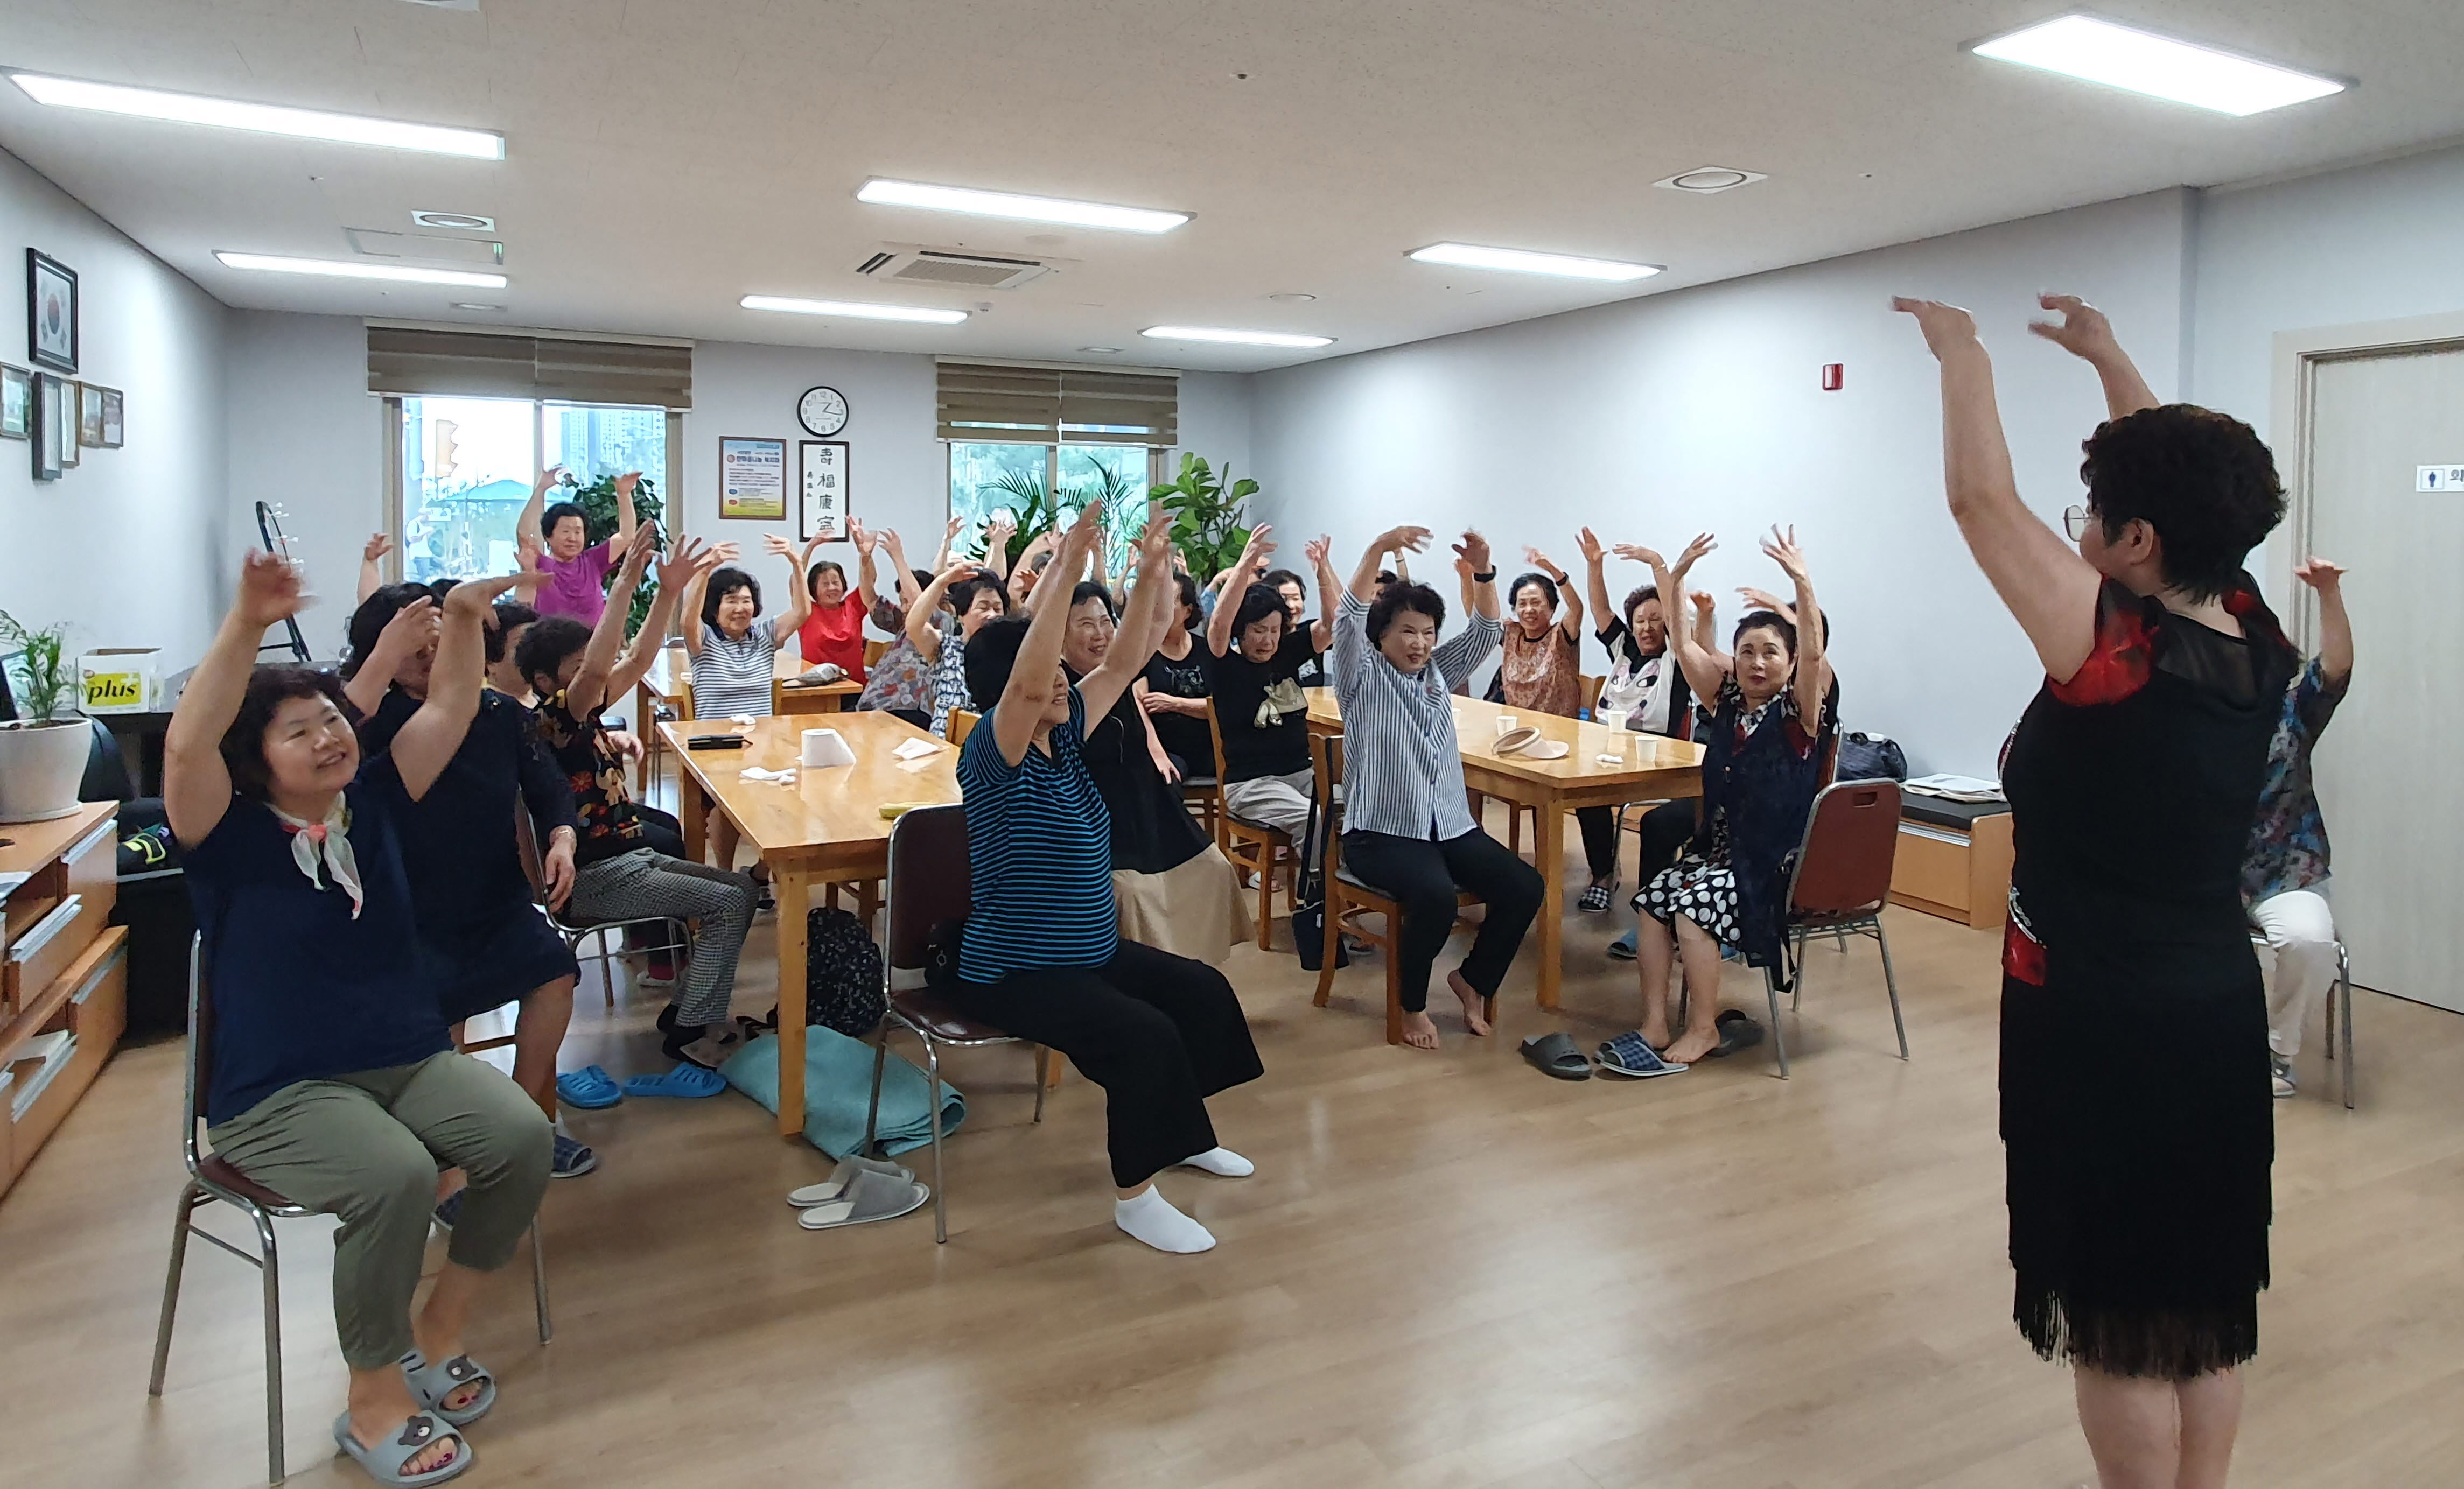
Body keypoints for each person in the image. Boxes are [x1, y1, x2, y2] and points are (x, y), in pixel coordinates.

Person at [1898, 291, 2294, 1489]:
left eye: (2096, 515)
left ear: (2132, 546)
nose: (2078, 528)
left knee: (2121, 1313)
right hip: (2212, 1002)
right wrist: (2112, 364)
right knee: (2197, 1299)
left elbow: (1979, 504)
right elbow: (2185, 508)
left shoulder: (2112, 661)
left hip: (2098, 1018)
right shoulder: (2245, 633)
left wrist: (1960, 354)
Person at [168, 552, 552, 1485]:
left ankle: (437, 1329)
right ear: (255, 761)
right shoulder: (226, 838)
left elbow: (452, 708)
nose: (331, 736)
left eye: (332, 718)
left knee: (521, 1135)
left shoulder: (370, 804)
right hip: (280, 1092)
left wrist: (464, 619)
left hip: (405, 1060)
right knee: (398, 1174)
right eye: (300, 731)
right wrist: (249, 623)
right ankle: (373, 1392)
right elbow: (184, 748)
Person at [945, 503, 1263, 1255]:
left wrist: (1152, 571)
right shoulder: (998, 754)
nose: (1062, 680)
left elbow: (1124, 661)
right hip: (1016, 969)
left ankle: (1177, 1128)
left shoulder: (1065, 738)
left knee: (1201, 991)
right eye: (1049, 671)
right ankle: (1135, 1196)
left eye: (1060, 674)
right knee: (1143, 1036)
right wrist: (1064, 567)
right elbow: (1025, 686)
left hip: (1089, 952)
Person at [340, 585, 593, 1179]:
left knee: (556, 972)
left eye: (443, 649)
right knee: (439, 1013)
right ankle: (453, 1149)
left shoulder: (501, 714)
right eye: (417, 653)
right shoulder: (369, 725)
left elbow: (549, 789)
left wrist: (562, 838)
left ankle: (526, 1119)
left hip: (493, 898)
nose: (434, 664)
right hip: (409, 914)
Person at [516, 529, 761, 1067]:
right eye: (576, 666)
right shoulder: (553, 720)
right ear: (544, 679)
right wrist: (626, 581)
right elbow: (603, 667)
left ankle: (688, 1012)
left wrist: (668, 593)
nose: (592, 672)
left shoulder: (587, 713)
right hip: (594, 881)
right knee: (729, 900)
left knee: (739, 890)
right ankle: (689, 1027)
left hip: (628, 860)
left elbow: (638, 657)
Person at [1602, 526, 1834, 1073]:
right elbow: (1683, 645)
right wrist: (1675, 576)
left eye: (1770, 653)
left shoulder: (1800, 715)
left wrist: (1800, 582)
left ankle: (1703, 1026)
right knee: (1652, 902)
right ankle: (1655, 1022)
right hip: (1724, 857)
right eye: (1746, 652)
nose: (1756, 663)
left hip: (1772, 865)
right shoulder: (1727, 702)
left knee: (1690, 906)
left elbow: (1816, 653)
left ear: (1790, 661)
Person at [1331, 526, 1542, 1049]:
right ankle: (1412, 1007)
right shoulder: (1361, 676)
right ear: (1381, 636)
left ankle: (1472, 980)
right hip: (1380, 833)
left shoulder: (1437, 675)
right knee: (1434, 898)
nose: (1419, 642)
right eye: (1407, 631)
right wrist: (1376, 549)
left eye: (1427, 631)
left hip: (1448, 826)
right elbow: (1346, 617)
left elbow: (1488, 629)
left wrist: (1484, 569)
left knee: (1524, 887)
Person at [1049, 578, 1251, 962]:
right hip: (1100, 825)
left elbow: (1157, 623)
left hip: (1146, 808)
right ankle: (1153, 971)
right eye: (1085, 624)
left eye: (1106, 621)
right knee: (1134, 894)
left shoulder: (1118, 671)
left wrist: (1155, 565)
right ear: (1058, 633)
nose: (1100, 633)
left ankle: (1194, 968)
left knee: (1213, 868)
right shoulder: (1060, 689)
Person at [2245, 559, 2353, 1100]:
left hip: (2286, 873)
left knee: (2310, 940)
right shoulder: (2183, 711)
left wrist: (2328, 593)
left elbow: (2334, 670)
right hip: (2194, 875)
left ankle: (2277, 1052)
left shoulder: (2292, 711)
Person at [1496, 544, 1616, 907]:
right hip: (1519, 742)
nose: (1530, 609)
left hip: (1566, 742)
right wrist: (1471, 577)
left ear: (1550, 607)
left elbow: (1577, 607)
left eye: (1537, 602)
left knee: (1590, 803)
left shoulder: (1563, 634)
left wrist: (1552, 568)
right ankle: (1529, 875)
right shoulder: (1511, 633)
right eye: (1522, 603)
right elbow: (1477, 614)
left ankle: (1604, 874)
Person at [1205, 525, 1335, 845]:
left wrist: (1323, 573)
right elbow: (1220, 622)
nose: (1268, 640)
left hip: (1302, 774)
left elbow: (1334, 624)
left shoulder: (1288, 651)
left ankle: (1343, 890)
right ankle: (1316, 893)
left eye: (1275, 630)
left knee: (1362, 807)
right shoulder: (1225, 662)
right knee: (1315, 819)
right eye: (1259, 630)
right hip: (1251, 784)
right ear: (1242, 630)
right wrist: (1246, 561)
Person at [515, 467, 641, 627]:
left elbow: (626, 537)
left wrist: (624, 495)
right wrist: (541, 489)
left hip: (594, 646)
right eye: (566, 531)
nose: (572, 538)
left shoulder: (593, 561)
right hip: (550, 646)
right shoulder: (540, 564)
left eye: (578, 532)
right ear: (548, 536)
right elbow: (524, 534)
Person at [907, 561, 1011, 739]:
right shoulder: (946, 647)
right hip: (943, 744)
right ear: (962, 615)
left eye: (997, 608)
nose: (992, 615)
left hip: (986, 749)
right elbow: (914, 625)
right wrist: (942, 582)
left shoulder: (1009, 653)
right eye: (984, 607)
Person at [1137, 571, 1215, 777]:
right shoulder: (1145, 653)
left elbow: (1220, 706)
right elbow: (1139, 707)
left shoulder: (1205, 650)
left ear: (1188, 611)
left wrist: (1174, 704)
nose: (1158, 607)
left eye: (1167, 600)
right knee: (1163, 776)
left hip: (1209, 747)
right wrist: (1157, 752)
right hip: (1166, 750)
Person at [795, 520, 880, 679]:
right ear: (814, 588)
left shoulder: (853, 605)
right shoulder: (806, 611)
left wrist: (865, 554)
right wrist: (810, 548)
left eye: (836, 582)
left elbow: (870, 581)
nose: (832, 588)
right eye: (825, 584)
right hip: (817, 691)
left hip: (854, 689)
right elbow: (795, 583)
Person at [1261, 566, 1327, 687]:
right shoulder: (1267, 643)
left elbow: (1337, 623)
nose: (1291, 606)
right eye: (1284, 599)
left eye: (1296, 598)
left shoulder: (1311, 632)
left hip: (1316, 705)